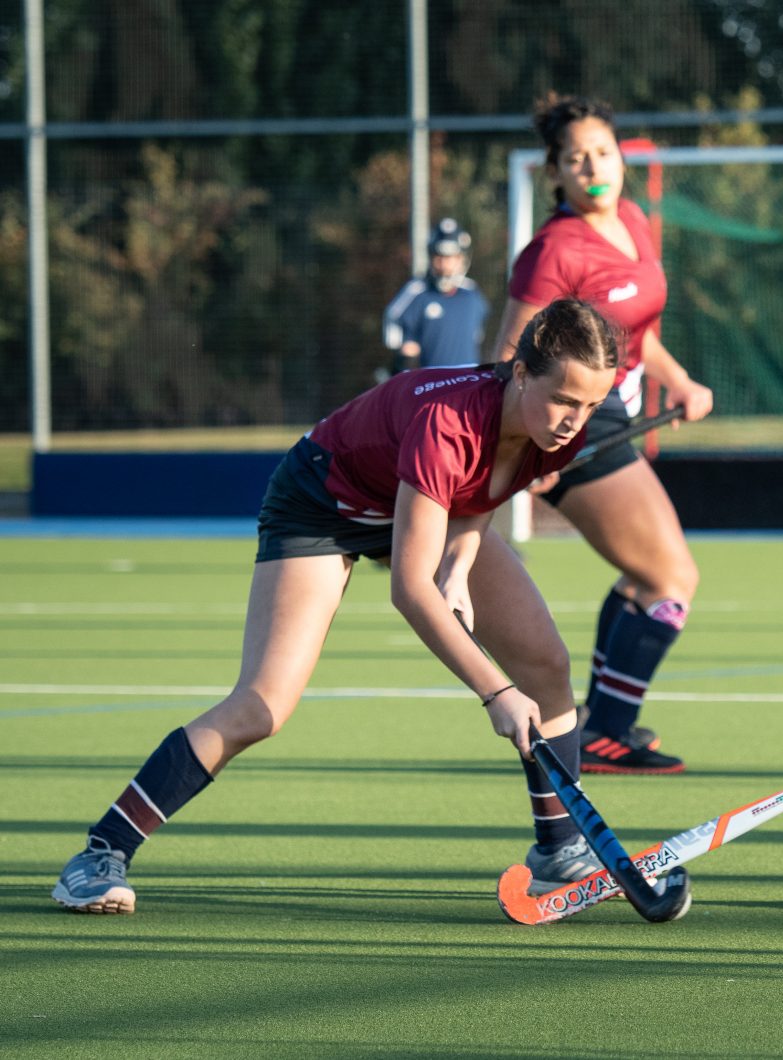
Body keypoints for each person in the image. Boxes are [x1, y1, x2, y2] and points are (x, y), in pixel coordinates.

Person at [52, 299, 622, 914]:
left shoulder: (554, 429)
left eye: (590, 404)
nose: (574, 420)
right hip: (324, 505)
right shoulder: (447, 420)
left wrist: (457, 566)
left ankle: (560, 851)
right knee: (262, 706)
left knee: (546, 660)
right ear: (519, 372)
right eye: (564, 399)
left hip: (421, 504)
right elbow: (409, 590)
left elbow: (487, 485)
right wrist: (494, 691)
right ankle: (100, 852)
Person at [489, 94, 713, 775]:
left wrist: (674, 377)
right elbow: (509, 361)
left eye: (604, 153)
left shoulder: (633, 221)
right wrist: (533, 446)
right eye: (575, 158)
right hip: (572, 424)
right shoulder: (553, 250)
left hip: (616, 410)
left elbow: (639, 330)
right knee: (671, 576)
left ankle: (599, 726)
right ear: (554, 173)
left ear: (622, 159)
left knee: (647, 575)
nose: (593, 168)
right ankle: (606, 732)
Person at [384, 218, 490, 373]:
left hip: (467, 385)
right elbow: (397, 331)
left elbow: (478, 335)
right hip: (430, 388)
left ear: (461, 259)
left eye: (450, 258)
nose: (444, 264)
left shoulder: (472, 294)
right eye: (439, 257)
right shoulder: (417, 292)